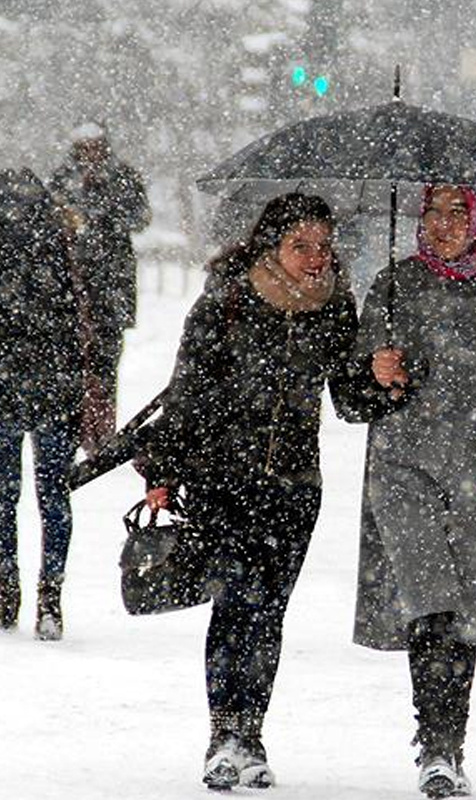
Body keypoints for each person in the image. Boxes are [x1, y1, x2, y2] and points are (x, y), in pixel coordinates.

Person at [139, 193, 368, 791]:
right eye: (301, 246)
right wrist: (161, 469)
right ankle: (223, 735)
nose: (315, 258)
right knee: (234, 602)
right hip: (224, 478)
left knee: (269, 612)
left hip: (295, 485)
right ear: (272, 245)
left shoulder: (337, 307)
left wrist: (379, 377)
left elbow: (348, 400)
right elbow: (186, 388)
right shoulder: (230, 298)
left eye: (323, 246)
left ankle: (253, 733)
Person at [355, 184, 476, 798]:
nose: (442, 224)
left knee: (466, 611)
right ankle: (434, 744)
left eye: (457, 211)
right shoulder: (392, 284)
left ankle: (450, 744)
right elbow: (352, 397)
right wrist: (374, 373)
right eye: (432, 211)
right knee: (429, 600)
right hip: (403, 468)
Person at [0, 169, 85, 639]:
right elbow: (76, 322)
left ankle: (7, 594)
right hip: (53, 385)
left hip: (0, 387)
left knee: (3, 494)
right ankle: (49, 598)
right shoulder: (59, 242)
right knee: (54, 496)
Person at [49, 123, 150, 453]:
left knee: (106, 363)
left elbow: (140, 217)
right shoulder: (63, 179)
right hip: (72, 285)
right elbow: (49, 220)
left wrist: (105, 216)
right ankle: (76, 427)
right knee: (72, 363)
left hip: (111, 284)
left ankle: (102, 431)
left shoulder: (122, 177)